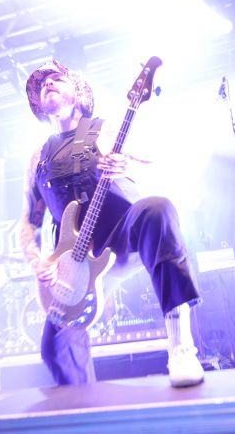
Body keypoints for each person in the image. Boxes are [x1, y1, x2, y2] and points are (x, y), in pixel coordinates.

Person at [18, 60, 204, 387]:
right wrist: (37, 262)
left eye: (56, 78)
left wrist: (128, 164)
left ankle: (181, 349)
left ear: (78, 93)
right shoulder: (38, 158)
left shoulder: (102, 131)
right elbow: (28, 223)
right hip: (77, 261)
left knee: (157, 210)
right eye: (42, 83)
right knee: (54, 347)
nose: (47, 83)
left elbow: (165, 165)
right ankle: (81, 405)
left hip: (123, 235)